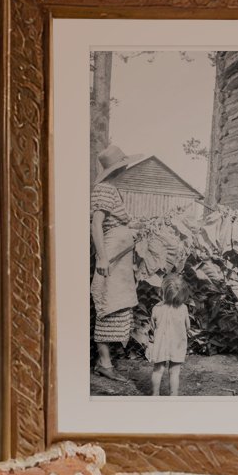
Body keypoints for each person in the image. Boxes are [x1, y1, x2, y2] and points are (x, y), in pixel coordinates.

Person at [90, 144, 144, 375]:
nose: (127, 168)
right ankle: (104, 364)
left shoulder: (111, 189)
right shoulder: (104, 189)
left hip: (119, 258)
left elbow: (114, 220)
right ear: (118, 168)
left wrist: (132, 225)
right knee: (107, 304)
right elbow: (96, 224)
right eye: (124, 165)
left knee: (117, 304)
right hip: (110, 257)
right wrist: (102, 257)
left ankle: (106, 362)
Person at [146, 273, 190, 396]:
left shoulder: (157, 308)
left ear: (163, 291)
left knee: (157, 370)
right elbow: (188, 326)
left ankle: (155, 394)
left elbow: (152, 327)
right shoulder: (183, 308)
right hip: (176, 345)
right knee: (174, 371)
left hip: (161, 344)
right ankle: (173, 395)